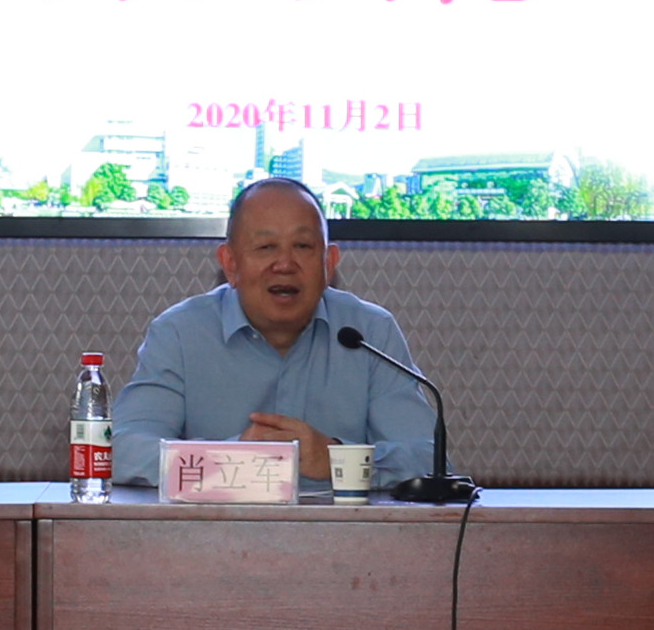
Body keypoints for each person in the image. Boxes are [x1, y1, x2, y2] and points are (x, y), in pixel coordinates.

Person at [111, 177, 437, 492]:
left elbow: (428, 457)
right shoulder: (181, 333)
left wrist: (339, 460)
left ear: (329, 263)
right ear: (230, 263)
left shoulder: (369, 332)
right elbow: (121, 450)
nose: (284, 264)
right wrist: (230, 459)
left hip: (342, 529)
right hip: (218, 527)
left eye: (302, 246)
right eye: (266, 247)